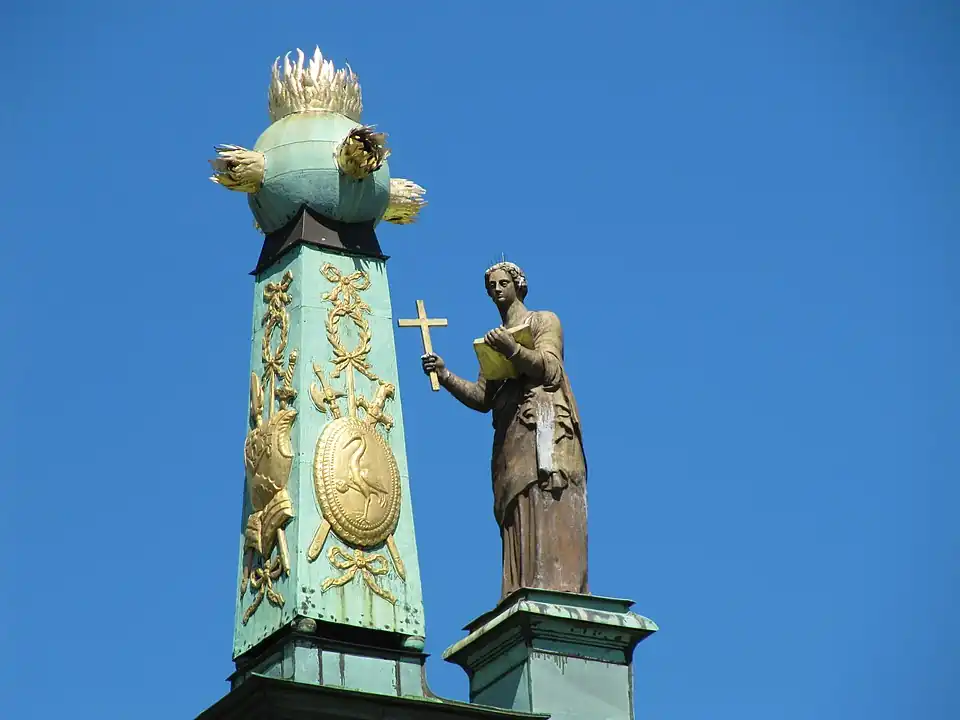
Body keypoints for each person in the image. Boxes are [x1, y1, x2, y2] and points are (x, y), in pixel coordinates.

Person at [422, 261, 588, 598]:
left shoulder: (543, 320)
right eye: (491, 287)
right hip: (511, 437)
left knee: (543, 497)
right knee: (516, 506)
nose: (496, 290)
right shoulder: (491, 342)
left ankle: (553, 583)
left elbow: (551, 370)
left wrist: (513, 349)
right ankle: (520, 585)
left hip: (542, 425)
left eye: (502, 283)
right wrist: (445, 373)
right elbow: (483, 397)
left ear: (518, 284)